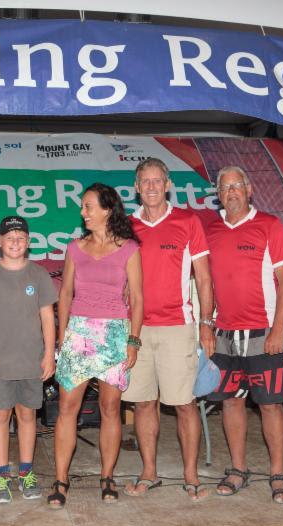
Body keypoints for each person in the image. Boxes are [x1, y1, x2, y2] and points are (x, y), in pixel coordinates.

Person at [122, 159, 216, 501]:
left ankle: (191, 476)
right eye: (144, 182)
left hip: (178, 327)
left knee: (185, 404)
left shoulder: (188, 221)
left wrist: (206, 324)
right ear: (136, 186)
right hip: (138, 330)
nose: (150, 187)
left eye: (157, 181)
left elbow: (204, 277)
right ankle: (149, 472)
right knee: (144, 404)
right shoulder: (127, 226)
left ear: (167, 185)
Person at [204, 166, 283, 503]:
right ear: (218, 194)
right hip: (225, 333)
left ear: (250, 188)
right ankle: (238, 468)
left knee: (270, 406)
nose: (231, 193)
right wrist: (208, 326)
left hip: (263, 333)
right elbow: (205, 284)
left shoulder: (270, 226)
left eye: (237, 186)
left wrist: (278, 329)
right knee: (231, 402)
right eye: (225, 188)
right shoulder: (211, 231)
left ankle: (278, 473)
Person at [50, 183, 143, 508]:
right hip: (78, 333)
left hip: (115, 334)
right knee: (66, 410)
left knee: (109, 409)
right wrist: (63, 335)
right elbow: (64, 294)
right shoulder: (75, 247)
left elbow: (139, 298)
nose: (82, 212)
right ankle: (61, 480)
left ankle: (107, 476)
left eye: (88, 206)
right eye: (82, 206)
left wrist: (133, 339)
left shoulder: (129, 248)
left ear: (107, 209)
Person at [0, 215, 57, 504]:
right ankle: (1, 476)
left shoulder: (39, 275)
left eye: (21, 238)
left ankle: (26, 472)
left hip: (31, 361)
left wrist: (48, 354)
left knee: (27, 415)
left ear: (29, 242)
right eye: (9, 238)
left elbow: (47, 317)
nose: (15, 242)